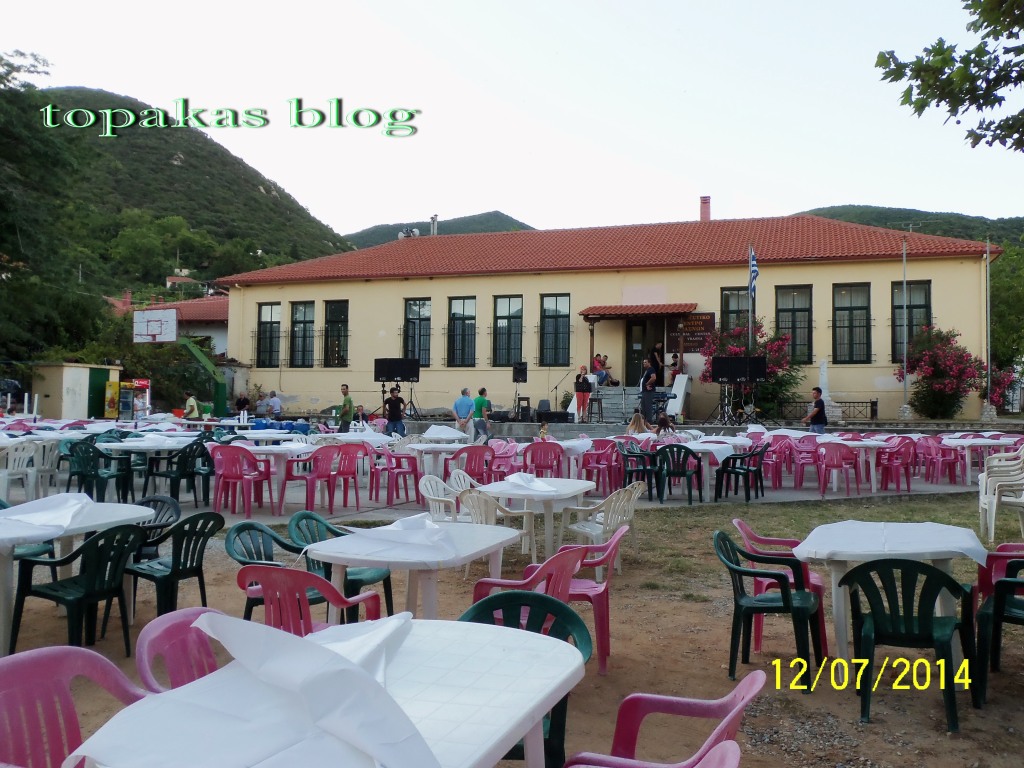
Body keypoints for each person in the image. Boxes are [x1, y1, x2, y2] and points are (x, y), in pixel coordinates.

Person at [638, 357, 658, 422]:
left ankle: (649, 421)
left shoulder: (651, 369)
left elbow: (653, 378)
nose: (644, 363)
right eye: (643, 362)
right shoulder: (647, 370)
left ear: (649, 363)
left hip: (648, 391)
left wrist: (647, 384)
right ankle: (644, 420)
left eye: (645, 362)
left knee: (647, 406)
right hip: (644, 391)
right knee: (643, 406)